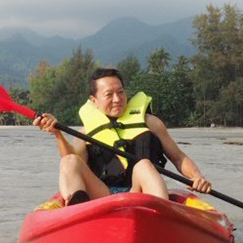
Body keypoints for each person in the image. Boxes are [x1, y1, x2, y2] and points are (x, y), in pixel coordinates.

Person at [33, 67, 212, 207]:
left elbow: (178, 157)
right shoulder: (85, 133)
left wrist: (197, 177)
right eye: (109, 95)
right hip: (102, 196)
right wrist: (57, 133)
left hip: (140, 192)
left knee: (144, 165)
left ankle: (160, 220)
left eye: (120, 92)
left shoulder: (150, 122)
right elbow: (73, 164)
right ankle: (78, 219)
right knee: (68, 162)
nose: (117, 99)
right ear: (94, 100)